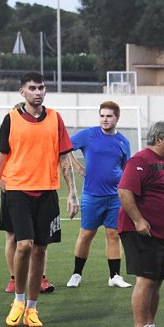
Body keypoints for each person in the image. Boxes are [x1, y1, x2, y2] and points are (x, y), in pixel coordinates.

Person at [0, 72, 78, 327]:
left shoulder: (55, 118)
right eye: (32, 88)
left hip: (47, 192)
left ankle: (33, 308)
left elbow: (65, 158)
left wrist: (73, 194)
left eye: (41, 88)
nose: (38, 92)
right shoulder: (11, 119)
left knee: (40, 250)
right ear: (22, 92)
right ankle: (18, 299)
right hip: (17, 192)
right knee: (23, 244)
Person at [118, 121, 164, 327]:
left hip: (162, 234)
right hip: (142, 232)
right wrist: (138, 220)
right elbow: (125, 190)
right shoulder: (141, 160)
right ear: (158, 139)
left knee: (156, 281)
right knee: (146, 279)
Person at [66, 101, 133, 289]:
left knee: (113, 235)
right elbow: (65, 147)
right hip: (92, 195)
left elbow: (126, 168)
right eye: (102, 115)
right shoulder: (88, 135)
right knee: (86, 234)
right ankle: (77, 274)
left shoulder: (123, 142)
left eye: (109, 116)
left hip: (115, 197)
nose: (105, 119)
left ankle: (115, 276)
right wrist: (78, 166)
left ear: (117, 118)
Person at [0, 135, 54, 294]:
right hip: (14, 193)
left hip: (39, 191)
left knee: (40, 240)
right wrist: (0, 182)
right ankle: (14, 279)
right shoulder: (8, 134)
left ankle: (41, 279)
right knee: (13, 237)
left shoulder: (41, 132)